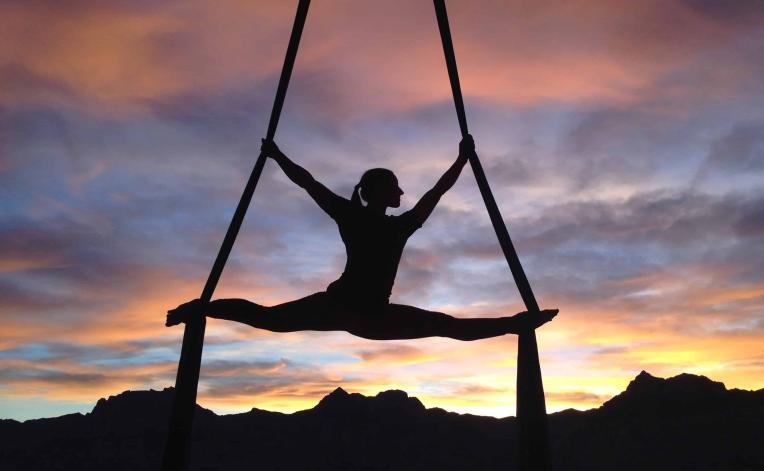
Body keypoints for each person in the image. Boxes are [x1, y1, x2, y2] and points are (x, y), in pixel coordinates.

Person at [167, 136, 557, 341]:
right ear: (381, 192)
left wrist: (462, 161)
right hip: (354, 310)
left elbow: (309, 183)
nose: (402, 193)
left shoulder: (364, 217)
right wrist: (276, 155)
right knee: (447, 326)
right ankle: (200, 308)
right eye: (397, 188)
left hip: (358, 310)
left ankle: (516, 324)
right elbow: (309, 183)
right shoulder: (385, 223)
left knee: (445, 325)